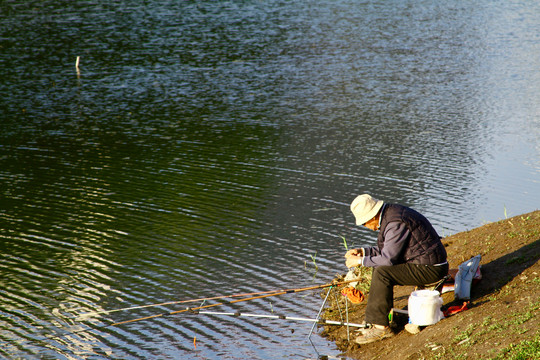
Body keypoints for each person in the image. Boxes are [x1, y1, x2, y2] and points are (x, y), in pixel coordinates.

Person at [344, 194, 448, 345]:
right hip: (424, 262)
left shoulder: (395, 222)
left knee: (382, 272)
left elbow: (388, 259)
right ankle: (379, 319)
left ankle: (381, 328)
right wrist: (363, 252)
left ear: (372, 216)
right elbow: (389, 251)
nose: (366, 226)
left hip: (430, 268)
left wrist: (360, 261)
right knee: (380, 268)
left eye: (364, 223)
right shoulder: (391, 214)